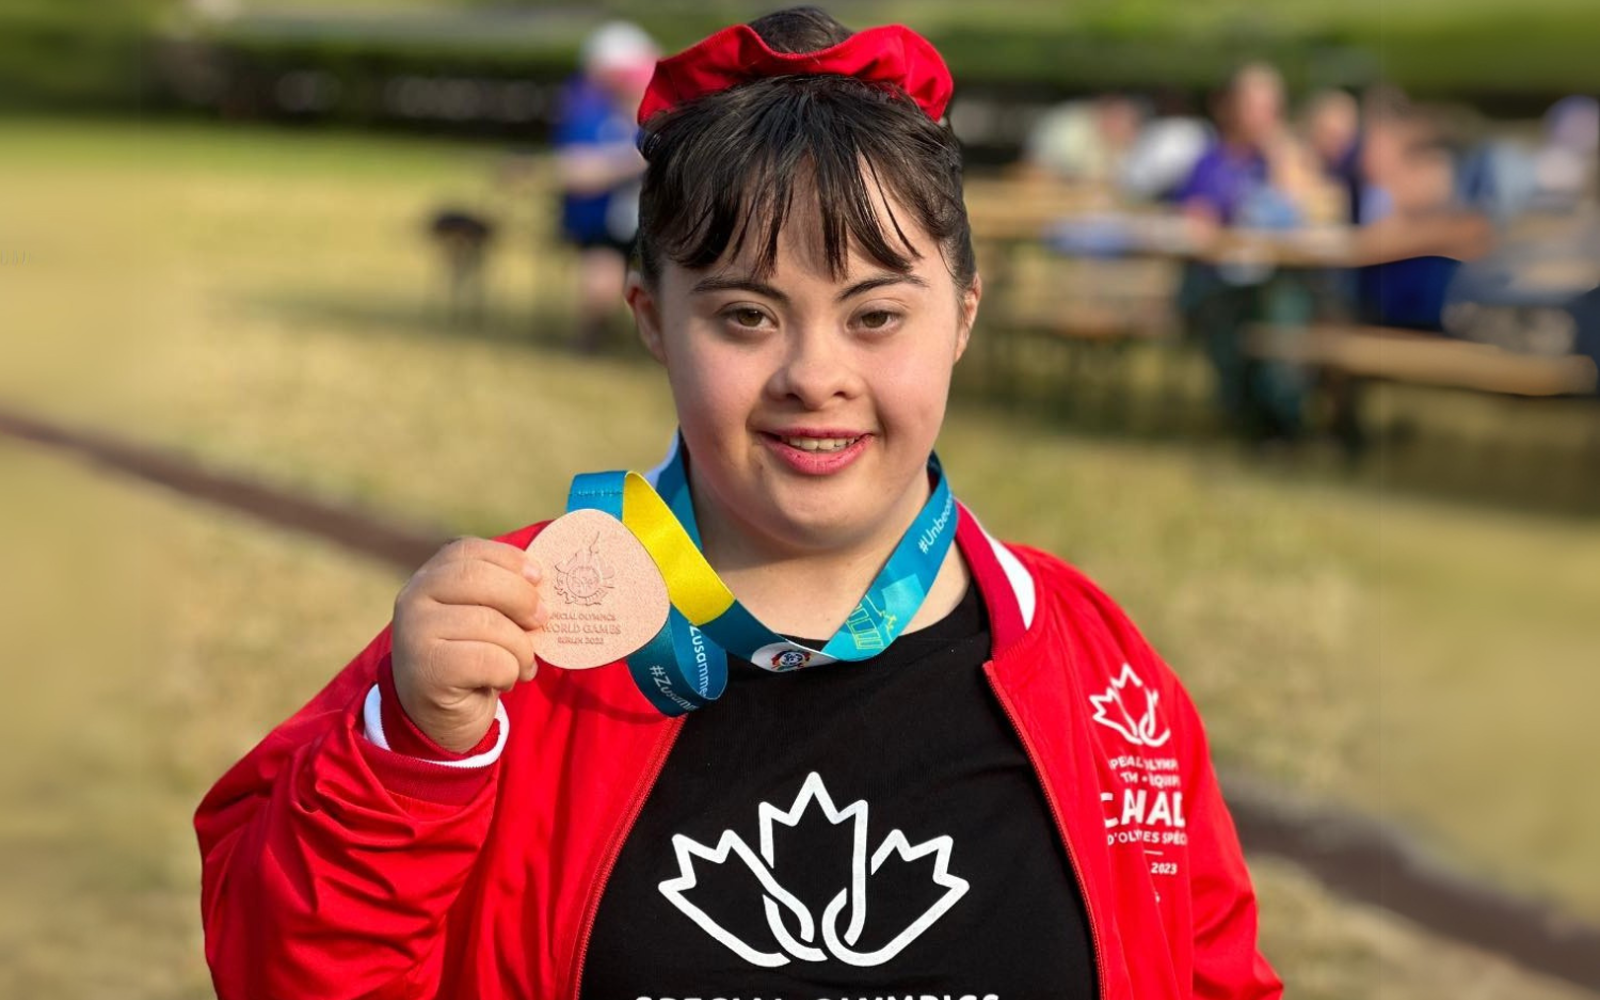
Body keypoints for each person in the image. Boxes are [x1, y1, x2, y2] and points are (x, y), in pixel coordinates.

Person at [196, 8, 1283, 998]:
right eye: (747, 316)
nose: (815, 373)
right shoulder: (506, 643)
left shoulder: (1099, 671)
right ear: (651, 319)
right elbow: (279, 968)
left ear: (961, 314)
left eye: (874, 316)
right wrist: (411, 751)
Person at [552, 21, 657, 352]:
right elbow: (574, 171)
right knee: (601, 282)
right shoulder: (588, 116)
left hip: (656, 223)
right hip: (602, 225)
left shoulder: (661, 117)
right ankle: (589, 342)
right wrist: (631, 162)